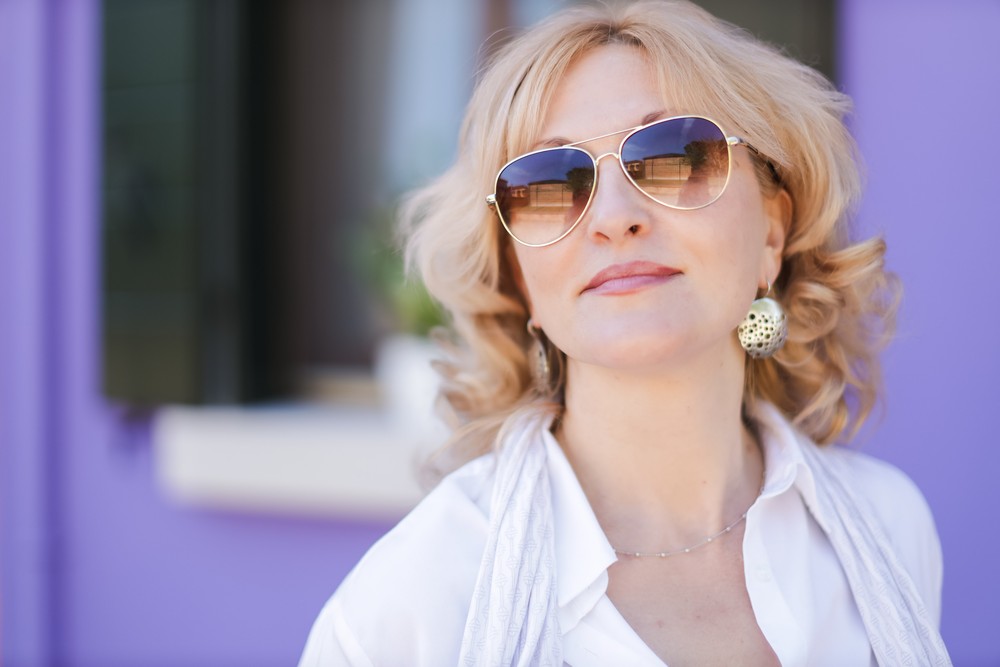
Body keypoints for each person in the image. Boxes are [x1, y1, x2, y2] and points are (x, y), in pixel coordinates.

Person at [299, 1, 950, 664]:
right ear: (522, 278)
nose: (613, 217)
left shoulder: (890, 528)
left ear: (772, 234)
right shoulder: (408, 610)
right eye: (548, 180)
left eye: (675, 154)